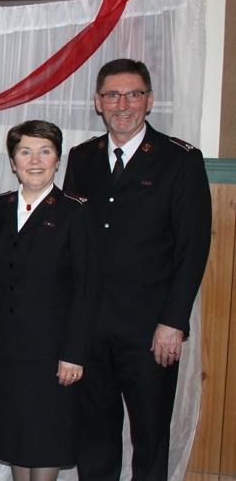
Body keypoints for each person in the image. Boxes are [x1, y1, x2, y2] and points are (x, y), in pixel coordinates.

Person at [63, 59, 211, 481]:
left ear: (149, 100)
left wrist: (173, 321)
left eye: (132, 94)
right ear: (98, 102)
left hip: (150, 332)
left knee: (149, 440)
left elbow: (192, 248)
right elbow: (75, 245)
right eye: (112, 95)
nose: (122, 104)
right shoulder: (81, 158)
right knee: (94, 439)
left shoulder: (179, 160)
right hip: (91, 329)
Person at [0, 120, 100, 481]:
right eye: (25, 152)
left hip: (53, 353)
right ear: (13, 161)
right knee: (15, 435)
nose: (35, 160)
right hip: (4, 349)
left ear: (58, 160)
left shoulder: (77, 211)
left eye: (45, 151)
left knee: (46, 439)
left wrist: (74, 353)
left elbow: (87, 290)